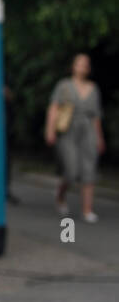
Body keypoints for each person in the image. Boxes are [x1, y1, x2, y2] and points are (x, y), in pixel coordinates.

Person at [46, 53, 105, 222]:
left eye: (86, 64)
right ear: (73, 66)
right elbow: (54, 108)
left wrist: (99, 138)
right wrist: (50, 130)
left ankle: (87, 210)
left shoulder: (94, 88)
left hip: (88, 131)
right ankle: (60, 195)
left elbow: (96, 117)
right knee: (71, 170)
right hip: (68, 130)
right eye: (79, 63)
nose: (83, 67)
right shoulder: (63, 85)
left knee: (89, 169)